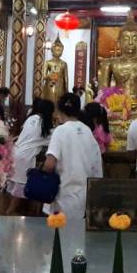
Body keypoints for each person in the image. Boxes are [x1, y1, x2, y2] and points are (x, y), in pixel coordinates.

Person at [42, 92, 103, 221]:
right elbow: (97, 166)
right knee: (78, 231)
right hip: (84, 196)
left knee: (59, 231)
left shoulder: (60, 131)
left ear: (60, 110)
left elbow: (49, 164)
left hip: (63, 194)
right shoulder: (87, 131)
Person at [6, 98, 55, 215]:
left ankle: (12, 209)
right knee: (21, 185)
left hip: (15, 152)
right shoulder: (45, 126)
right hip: (25, 158)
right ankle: (11, 211)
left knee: (14, 183)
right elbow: (53, 139)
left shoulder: (31, 118)